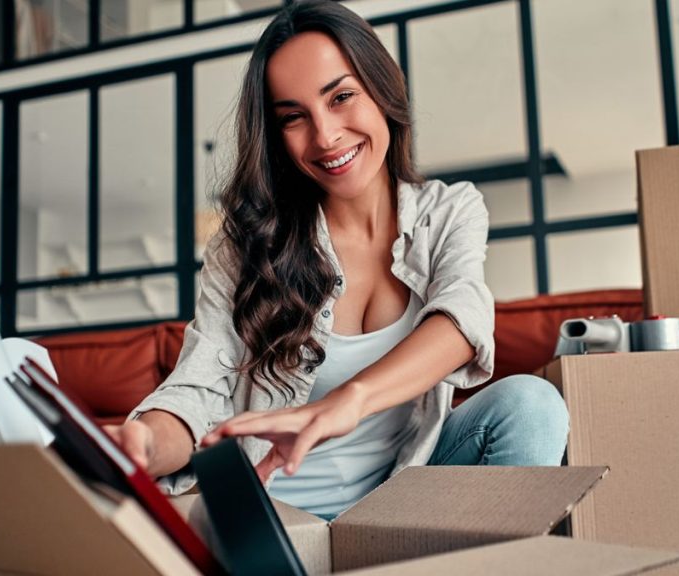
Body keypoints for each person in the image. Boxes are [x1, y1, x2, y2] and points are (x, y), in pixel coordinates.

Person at [107, 0, 568, 520]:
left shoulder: (449, 210)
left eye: (341, 97)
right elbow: (199, 383)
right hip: (282, 519)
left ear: (382, 91)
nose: (325, 136)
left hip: (402, 499)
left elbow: (463, 320)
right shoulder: (243, 245)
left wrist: (348, 400)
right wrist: (143, 442)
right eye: (293, 118)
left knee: (532, 405)